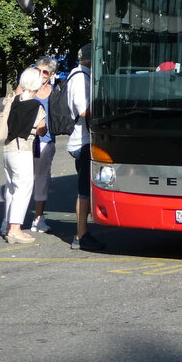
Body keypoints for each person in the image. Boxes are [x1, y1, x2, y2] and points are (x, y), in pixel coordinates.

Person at [0, 66, 46, 244]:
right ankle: (15, 229)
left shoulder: (13, 100)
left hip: (7, 148)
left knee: (11, 188)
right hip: (22, 148)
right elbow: (42, 130)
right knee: (23, 188)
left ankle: (8, 225)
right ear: (38, 84)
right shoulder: (35, 106)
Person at [66, 42, 103, 251]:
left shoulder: (81, 75)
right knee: (84, 191)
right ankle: (80, 235)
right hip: (83, 141)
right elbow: (83, 110)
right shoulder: (81, 77)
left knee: (86, 189)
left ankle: (83, 233)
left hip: (84, 139)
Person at [28, 56, 58, 234]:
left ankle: (38, 218)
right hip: (25, 140)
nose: (41, 74)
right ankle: (10, 220)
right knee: (20, 181)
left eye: (45, 72)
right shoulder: (26, 88)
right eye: (37, 70)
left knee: (42, 179)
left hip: (45, 140)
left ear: (51, 74)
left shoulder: (53, 92)